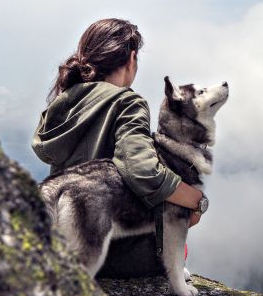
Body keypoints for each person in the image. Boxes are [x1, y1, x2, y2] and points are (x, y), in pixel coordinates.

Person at [31, 18, 205, 278]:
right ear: (131, 58)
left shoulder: (63, 103)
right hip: (117, 256)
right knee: (178, 241)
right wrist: (196, 200)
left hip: (67, 247)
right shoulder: (127, 102)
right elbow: (142, 170)